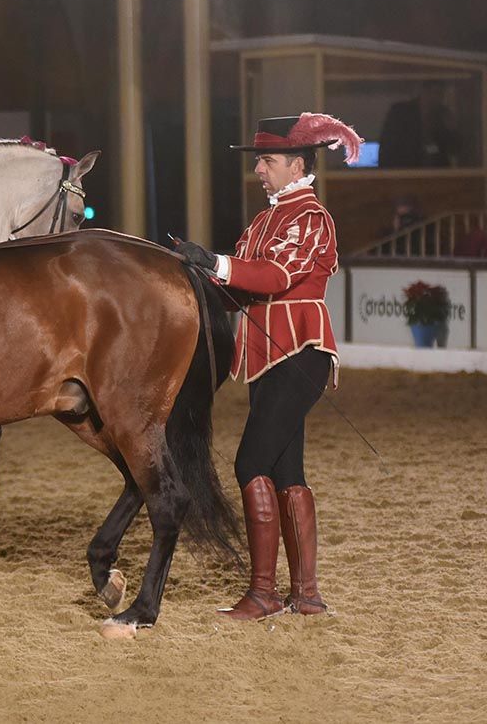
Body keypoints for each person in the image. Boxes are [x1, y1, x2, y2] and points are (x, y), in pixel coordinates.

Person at [176, 113, 360, 622]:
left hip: (301, 352)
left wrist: (213, 262)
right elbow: (239, 288)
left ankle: (264, 593)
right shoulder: (265, 220)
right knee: (286, 470)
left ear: (296, 164)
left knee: (248, 463)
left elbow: (276, 276)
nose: (258, 168)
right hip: (268, 356)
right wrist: (192, 273)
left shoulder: (310, 217)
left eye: (267, 160)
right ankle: (307, 595)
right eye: (259, 160)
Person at [378, 81, 461, 168]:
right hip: (406, 173)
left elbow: (455, 149)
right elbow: (386, 149)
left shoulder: (443, 115)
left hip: (437, 174)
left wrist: (452, 129)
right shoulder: (400, 112)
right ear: (423, 92)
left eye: (440, 95)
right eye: (434, 93)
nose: (436, 98)